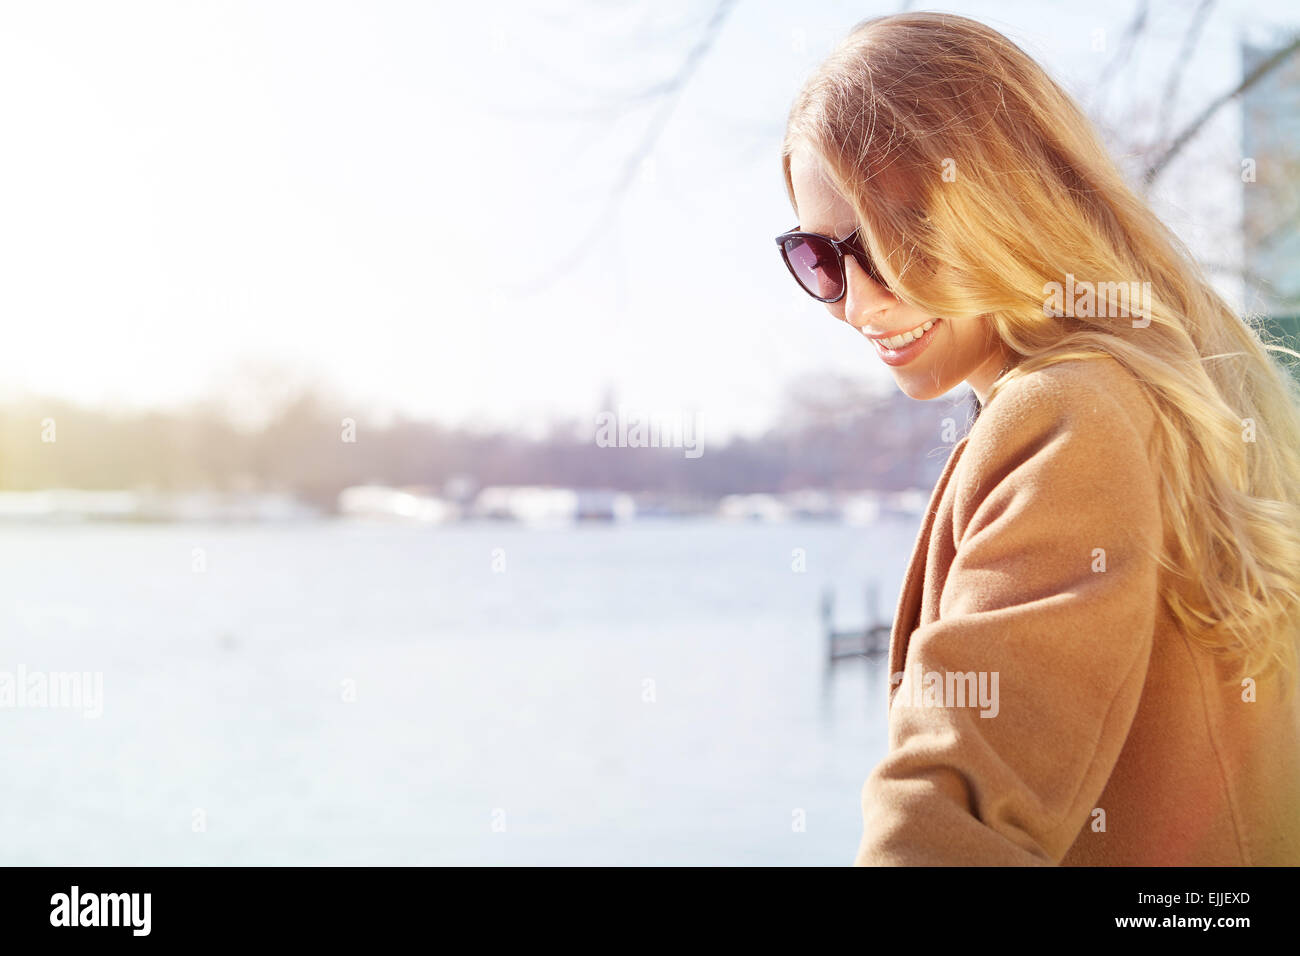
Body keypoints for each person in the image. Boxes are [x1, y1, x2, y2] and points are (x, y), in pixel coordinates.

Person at [774, 11, 1300, 865]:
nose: (861, 302)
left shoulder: (1068, 415)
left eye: (901, 237)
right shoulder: (1162, 394)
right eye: (822, 259)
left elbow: (949, 817)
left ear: (1008, 203)